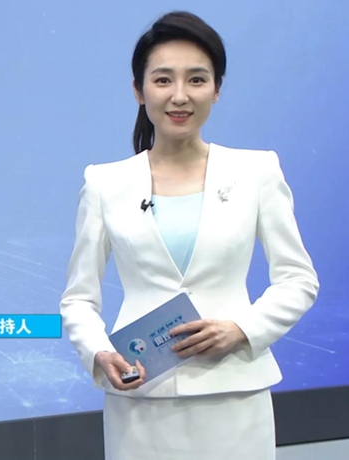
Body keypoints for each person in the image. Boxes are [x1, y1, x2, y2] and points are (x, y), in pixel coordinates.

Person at [59, 10, 319, 460]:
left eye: (196, 80)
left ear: (216, 89)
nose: (179, 96)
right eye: (163, 80)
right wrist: (99, 353)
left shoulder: (256, 171)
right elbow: (78, 299)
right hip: (141, 397)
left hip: (235, 394)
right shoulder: (104, 183)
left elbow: (298, 279)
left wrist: (242, 329)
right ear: (139, 89)